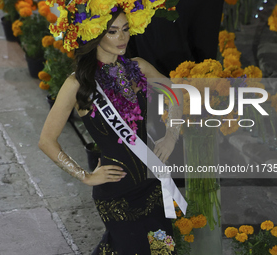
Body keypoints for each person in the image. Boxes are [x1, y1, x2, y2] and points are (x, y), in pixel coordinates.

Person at [39, 1, 185, 254]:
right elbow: (46, 141)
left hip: (153, 184)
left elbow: (176, 96)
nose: (122, 37)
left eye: (126, 29)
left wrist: (171, 136)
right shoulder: (77, 84)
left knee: (164, 250)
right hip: (117, 192)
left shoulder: (138, 67)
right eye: (113, 31)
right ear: (95, 34)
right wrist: (84, 176)